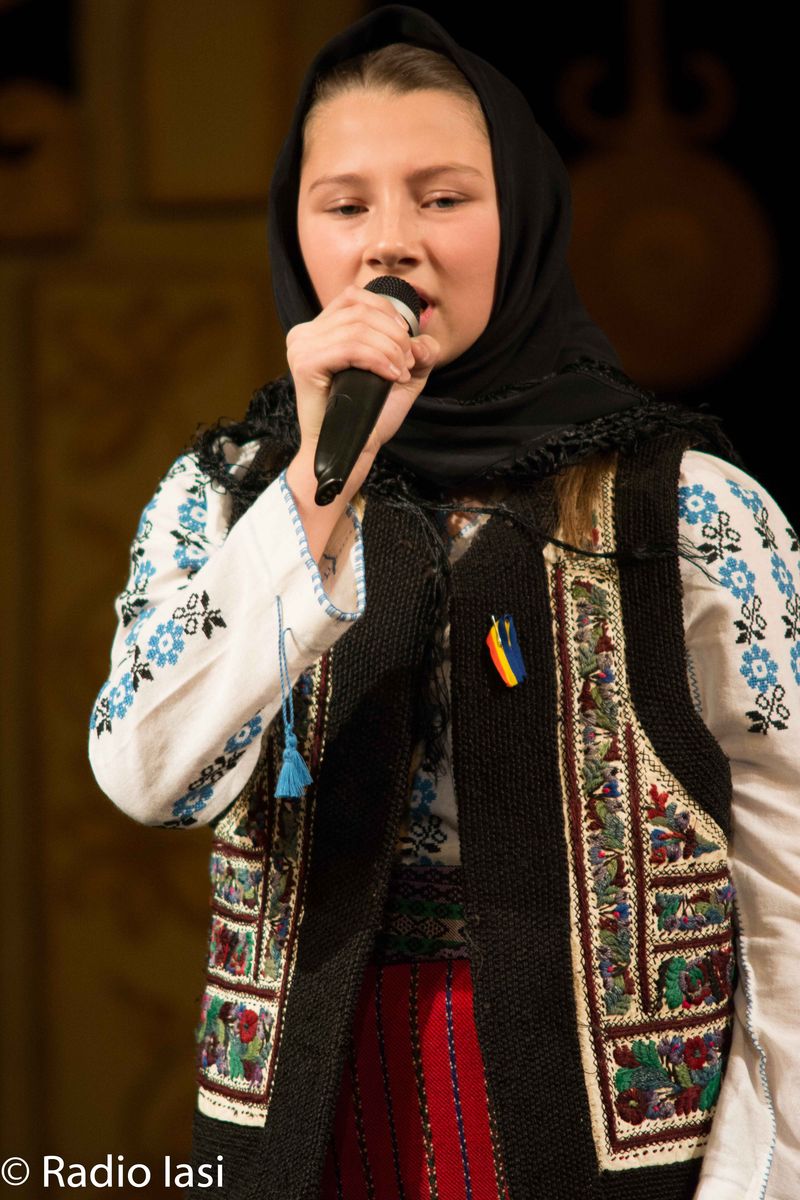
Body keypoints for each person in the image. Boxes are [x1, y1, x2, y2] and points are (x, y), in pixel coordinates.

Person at [88, 7, 799, 1199]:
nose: (391, 245)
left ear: (521, 216)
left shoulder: (685, 508)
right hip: (308, 1117)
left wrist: (765, 1171)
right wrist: (316, 490)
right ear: (295, 232)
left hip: (614, 1138)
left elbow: (786, 878)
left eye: (443, 198)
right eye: (344, 205)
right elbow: (147, 776)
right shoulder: (225, 499)